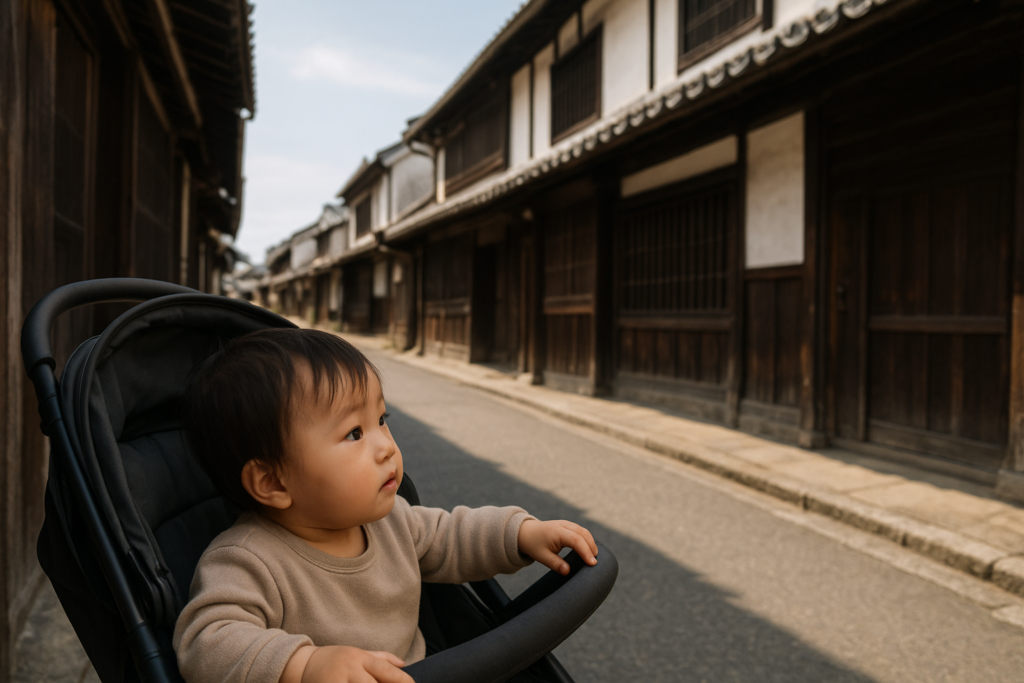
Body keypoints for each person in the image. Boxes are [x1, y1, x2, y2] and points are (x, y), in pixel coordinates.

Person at [173, 328, 598, 683]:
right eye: (354, 434)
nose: (386, 448)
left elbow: (454, 535)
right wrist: (303, 665)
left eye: (381, 420)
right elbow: (206, 642)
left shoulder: (391, 523)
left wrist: (520, 533)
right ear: (272, 481)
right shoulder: (248, 560)